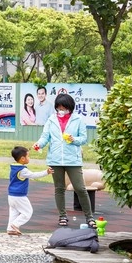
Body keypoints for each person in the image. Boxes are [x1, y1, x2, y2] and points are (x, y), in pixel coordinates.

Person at [33, 93, 95, 228]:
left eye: (64, 107)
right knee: (59, 189)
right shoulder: (51, 119)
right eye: (59, 107)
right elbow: (45, 137)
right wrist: (39, 144)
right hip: (55, 160)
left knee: (80, 188)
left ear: (70, 108)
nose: (61, 110)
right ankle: (62, 216)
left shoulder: (78, 119)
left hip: (73, 160)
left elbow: (84, 139)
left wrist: (74, 139)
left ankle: (89, 217)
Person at [6, 146, 52, 235]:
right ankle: (15, 224)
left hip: (11, 195)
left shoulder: (14, 167)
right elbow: (33, 175)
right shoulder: (22, 170)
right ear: (23, 159)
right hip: (19, 196)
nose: (29, 158)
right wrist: (46, 172)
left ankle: (10, 229)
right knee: (27, 212)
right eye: (28, 156)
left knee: (14, 212)